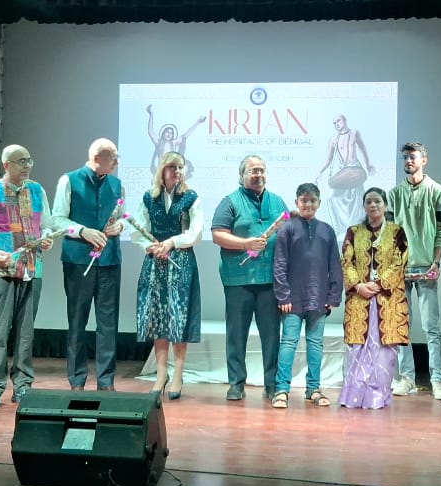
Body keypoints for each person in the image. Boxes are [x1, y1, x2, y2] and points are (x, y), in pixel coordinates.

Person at [0, 144, 60, 409]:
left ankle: (23, 385)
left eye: (29, 161)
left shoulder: (37, 190)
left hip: (32, 269)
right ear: (6, 165)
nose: (27, 166)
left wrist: (46, 239)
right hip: (1, 270)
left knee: (25, 333)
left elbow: (47, 225)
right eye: (22, 161)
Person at [211, 155, 288, 403]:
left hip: (270, 281)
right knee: (236, 334)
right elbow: (217, 235)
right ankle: (236, 383)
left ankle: (272, 385)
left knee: (271, 336)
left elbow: (288, 234)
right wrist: (246, 244)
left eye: (262, 170)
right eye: (253, 171)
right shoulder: (230, 202)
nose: (258, 175)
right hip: (238, 280)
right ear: (241, 175)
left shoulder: (277, 201)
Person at [52, 138, 125, 391]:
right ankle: (77, 380)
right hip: (78, 260)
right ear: (96, 158)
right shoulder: (69, 180)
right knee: (77, 320)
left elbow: (122, 217)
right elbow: (57, 220)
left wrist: (119, 226)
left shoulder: (117, 184)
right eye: (112, 158)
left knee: (108, 322)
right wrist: (82, 231)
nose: (116, 162)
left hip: (109, 261)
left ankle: (106, 381)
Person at [129, 152, 203, 400]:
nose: (177, 171)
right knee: (158, 318)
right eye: (172, 167)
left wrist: (171, 242)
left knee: (179, 318)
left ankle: (178, 375)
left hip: (181, 262)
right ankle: (161, 375)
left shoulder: (191, 197)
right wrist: (151, 247)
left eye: (180, 167)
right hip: (155, 263)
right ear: (162, 170)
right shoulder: (149, 198)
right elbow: (137, 230)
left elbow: (196, 232)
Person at [385, 141, 441, 400]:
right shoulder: (394, 194)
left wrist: (436, 261)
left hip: (426, 267)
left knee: (431, 327)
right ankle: (407, 378)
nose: (408, 161)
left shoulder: (438, 191)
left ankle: (437, 380)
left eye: (412, 157)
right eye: (405, 157)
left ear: (424, 160)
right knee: (402, 326)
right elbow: (389, 233)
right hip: (401, 268)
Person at [271, 183, 342, 409]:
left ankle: (313, 388)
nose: (308, 204)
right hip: (292, 299)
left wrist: (333, 295)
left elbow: (335, 264)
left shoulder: (327, 230)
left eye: (312, 200)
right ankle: (282, 389)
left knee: (315, 344)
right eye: (304, 200)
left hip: (319, 298)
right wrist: (283, 296)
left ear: (319, 203)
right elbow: (279, 264)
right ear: (296, 202)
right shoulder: (287, 229)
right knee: (288, 342)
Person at [338, 187, 410, 409]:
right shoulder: (353, 232)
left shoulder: (397, 232)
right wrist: (358, 285)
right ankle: (353, 396)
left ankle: (377, 397)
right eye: (368, 201)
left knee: (383, 351)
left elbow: (400, 262)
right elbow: (346, 262)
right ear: (363, 206)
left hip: (387, 300)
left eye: (377, 201)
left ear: (385, 205)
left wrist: (378, 285)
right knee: (358, 348)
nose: (373, 205)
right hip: (359, 299)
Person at [315, 114, 376, 233]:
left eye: (338, 121)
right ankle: (339, 229)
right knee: (331, 197)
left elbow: (363, 148)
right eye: (334, 123)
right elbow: (328, 159)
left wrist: (368, 164)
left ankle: (359, 228)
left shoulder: (354, 133)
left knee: (358, 199)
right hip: (343, 172)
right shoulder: (334, 140)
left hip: (355, 171)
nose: (336, 124)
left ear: (345, 120)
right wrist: (320, 172)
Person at [146, 104, 206, 179]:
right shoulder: (159, 143)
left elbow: (186, 135)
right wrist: (151, 115)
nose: (169, 134)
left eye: (171, 133)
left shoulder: (173, 143)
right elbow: (150, 131)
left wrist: (197, 123)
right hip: (162, 172)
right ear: (163, 133)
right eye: (167, 132)